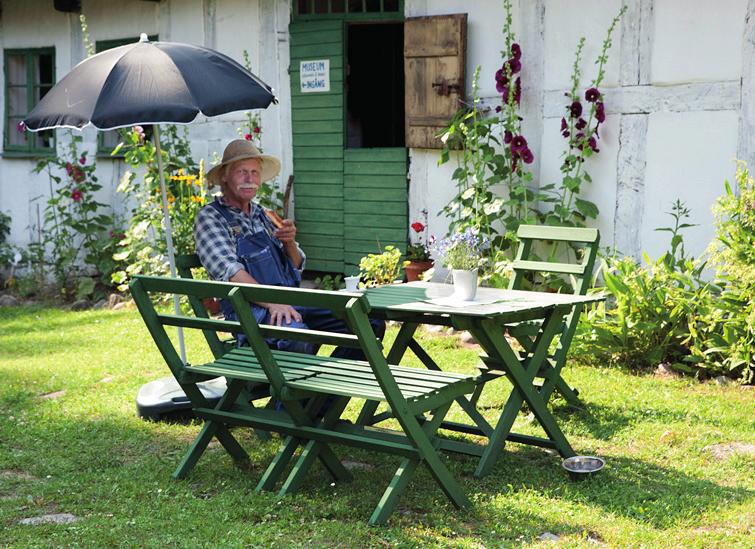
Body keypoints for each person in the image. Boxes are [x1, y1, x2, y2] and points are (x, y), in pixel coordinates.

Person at [194, 139, 384, 358]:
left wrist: (289, 242)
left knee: (369, 323)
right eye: (242, 172)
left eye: (255, 173)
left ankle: (324, 393)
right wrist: (274, 303)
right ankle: (307, 389)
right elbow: (230, 273)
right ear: (225, 177)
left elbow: (295, 266)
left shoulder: (264, 215)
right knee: (297, 336)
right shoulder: (211, 217)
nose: (250, 179)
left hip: (290, 302)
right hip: (251, 312)